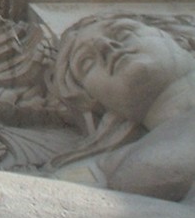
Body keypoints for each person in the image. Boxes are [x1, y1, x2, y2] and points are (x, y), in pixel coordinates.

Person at [52, 14, 195, 201]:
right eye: (86, 63)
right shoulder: (104, 169)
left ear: (180, 40)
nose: (104, 47)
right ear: (97, 104)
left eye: (123, 33)